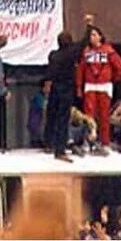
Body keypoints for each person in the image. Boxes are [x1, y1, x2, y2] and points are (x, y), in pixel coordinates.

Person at [75, 20, 121, 153]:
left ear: (100, 36)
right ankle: (88, 141)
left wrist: (113, 79)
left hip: (104, 87)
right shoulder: (86, 52)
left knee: (104, 116)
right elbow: (80, 70)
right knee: (89, 116)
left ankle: (105, 142)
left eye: (94, 35)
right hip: (90, 87)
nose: (92, 38)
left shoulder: (108, 50)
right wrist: (79, 88)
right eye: (90, 35)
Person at [43, 30, 84, 162]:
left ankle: (48, 143)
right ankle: (60, 150)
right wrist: (89, 25)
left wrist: (47, 83)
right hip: (65, 89)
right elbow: (83, 42)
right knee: (62, 119)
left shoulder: (53, 55)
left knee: (51, 116)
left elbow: (50, 73)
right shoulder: (70, 54)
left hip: (55, 87)